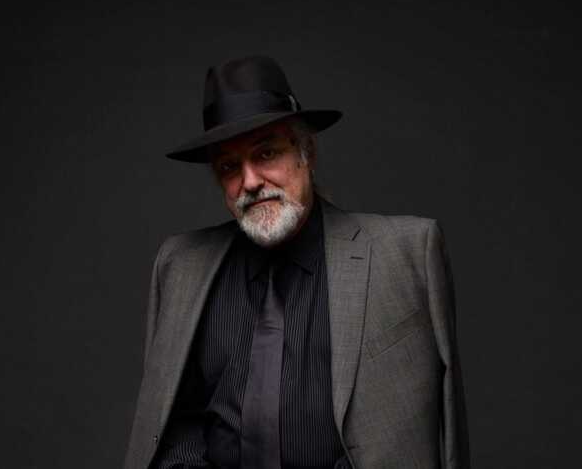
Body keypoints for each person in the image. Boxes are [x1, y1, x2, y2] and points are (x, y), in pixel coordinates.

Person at [124, 55, 470, 469]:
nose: (250, 182)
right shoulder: (180, 266)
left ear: (306, 152)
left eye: (266, 153)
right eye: (230, 166)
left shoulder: (407, 253)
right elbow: (174, 425)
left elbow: (444, 429)